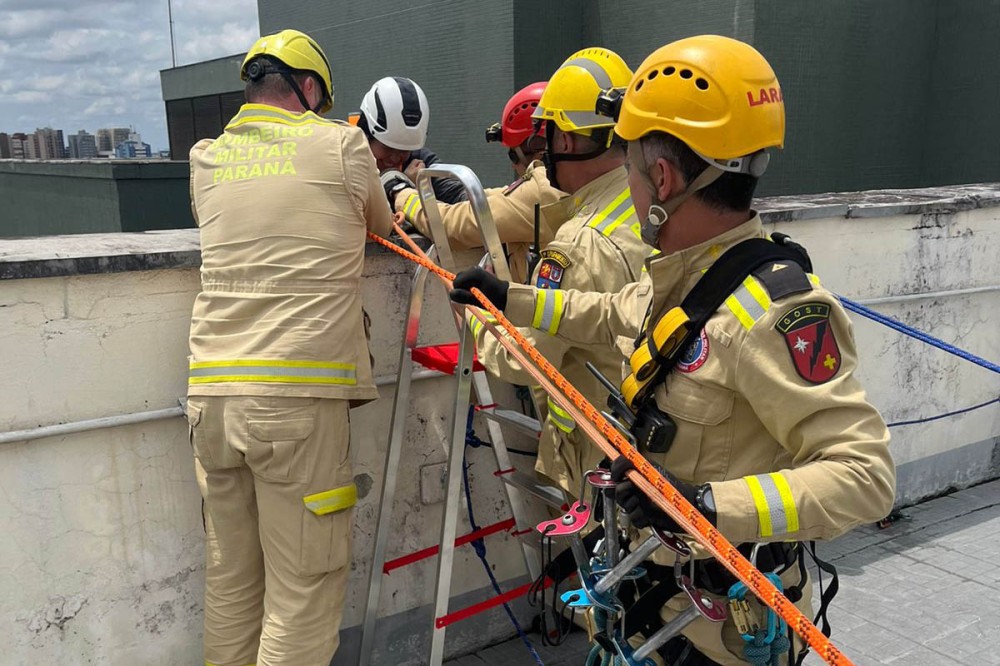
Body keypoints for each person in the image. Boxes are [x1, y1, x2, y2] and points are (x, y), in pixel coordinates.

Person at [451, 35, 895, 664]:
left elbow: (865, 477)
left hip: (719, 635)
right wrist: (510, 297)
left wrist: (705, 504)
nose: (625, 185)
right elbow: (607, 315)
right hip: (644, 602)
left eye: (628, 167)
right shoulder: (679, 278)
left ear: (660, 177)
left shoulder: (773, 312)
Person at [185, 29, 393, 666]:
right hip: (294, 403)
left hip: (211, 401)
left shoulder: (206, 158)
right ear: (308, 89)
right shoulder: (341, 144)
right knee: (304, 590)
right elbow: (382, 227)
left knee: (232, 584)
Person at [436, 48, 649, 500]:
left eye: (546, 135)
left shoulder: (578, 245)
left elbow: (525, 360)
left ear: (566, 141)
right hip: (648, 448)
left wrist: (474, 316)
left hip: (600, 467)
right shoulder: (649, 208)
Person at [385, 81, 559, 284]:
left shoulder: (541, 192)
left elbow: (448, 224)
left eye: (513, 155)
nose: (513, 166)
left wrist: (400, 189)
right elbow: (492, 199)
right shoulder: (574, 185)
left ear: (536, 147)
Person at [357, 76, 468, 204]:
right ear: (366, 136)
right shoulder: (349, 166)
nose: (395, 158)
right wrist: (403, 185)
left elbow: (457, 194)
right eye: (388, 148)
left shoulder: (419, 162)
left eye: (405, 150)